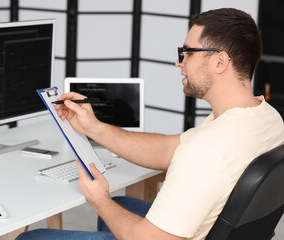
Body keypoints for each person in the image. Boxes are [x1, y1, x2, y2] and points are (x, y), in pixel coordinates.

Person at [17, 8, 284, 240]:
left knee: (33, 237)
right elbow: (169, 149)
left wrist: (99, 200)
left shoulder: (208, 151)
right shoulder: (265, 117)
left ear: (219, 61)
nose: (179, 62)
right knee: (123, 206)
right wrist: (93, 127)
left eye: (187, 53)